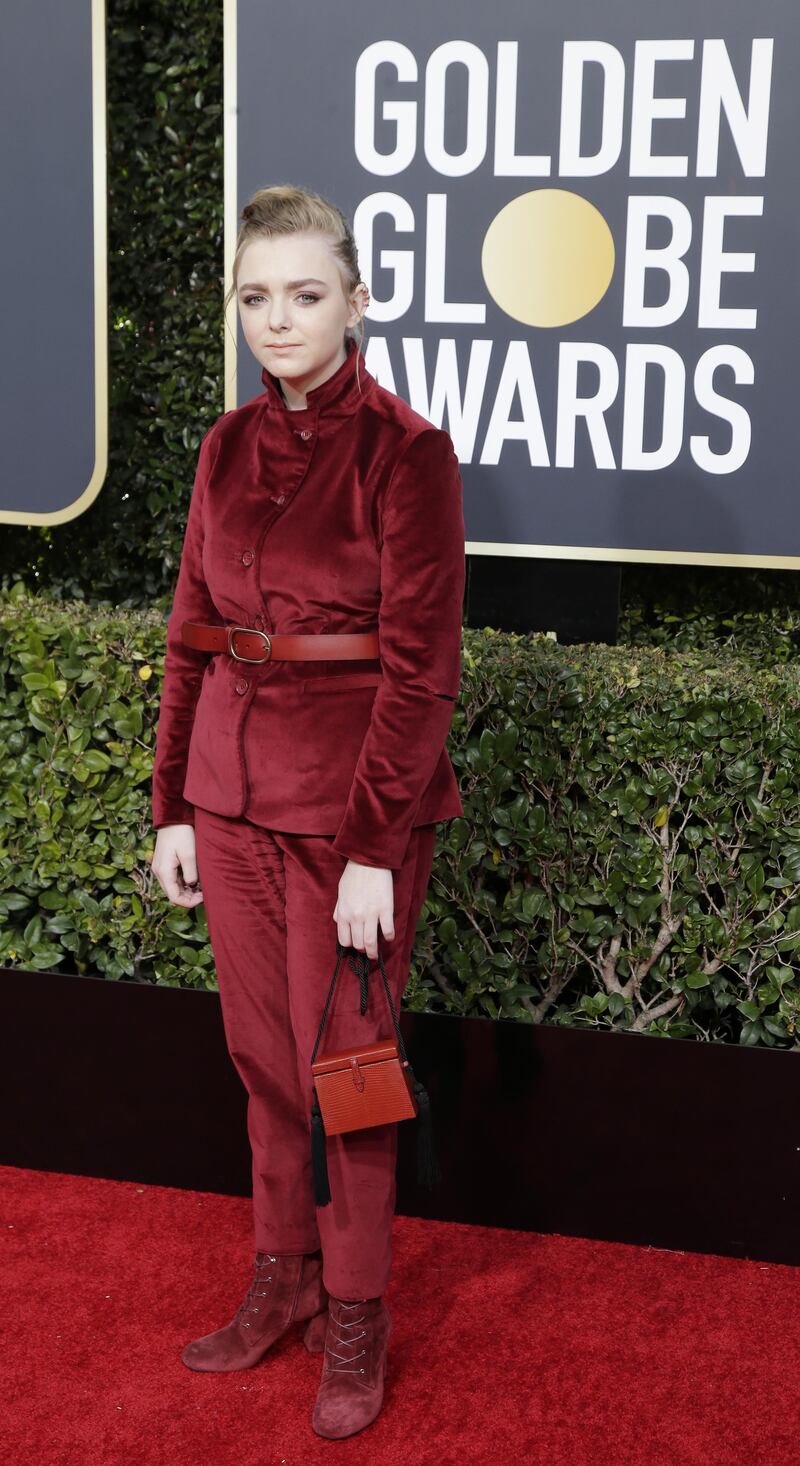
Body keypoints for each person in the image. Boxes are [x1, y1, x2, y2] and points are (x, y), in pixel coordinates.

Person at [150, 183, 466, 1440]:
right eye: (255, 296)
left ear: (356, 300)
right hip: (224, 802)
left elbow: (422, 667)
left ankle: (356, 1308)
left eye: (304, 293)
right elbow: (188, 633)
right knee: (259, 1058)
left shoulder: (407, 452)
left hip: (349, 824)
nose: (276, 320)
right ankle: (278, 1278)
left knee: (349, 1070)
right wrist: (172, 801)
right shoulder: (224, 449)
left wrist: (376, 848)